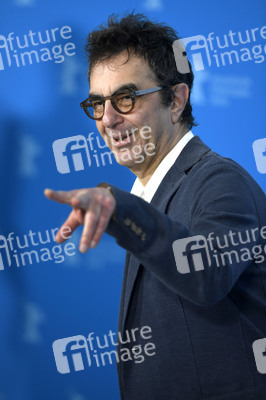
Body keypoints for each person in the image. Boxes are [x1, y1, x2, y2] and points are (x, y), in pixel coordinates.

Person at [45, 13, 266, 400]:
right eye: (97, 103)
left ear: (176, 100)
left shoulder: (219, 180)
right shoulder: (150, 195)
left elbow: (204, 274)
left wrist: (119, 206)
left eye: (126, 98)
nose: (108, 120)